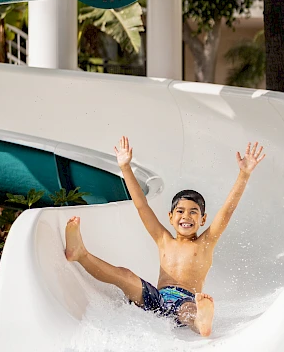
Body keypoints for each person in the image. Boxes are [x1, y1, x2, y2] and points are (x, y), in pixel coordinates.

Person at [64, 136, 266, 337]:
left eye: (193, 212)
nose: (186, 216)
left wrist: (244, 174)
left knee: (188, 309)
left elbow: (227, 211)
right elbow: (141, 205)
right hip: (156, 297)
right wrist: (125, 167)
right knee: (125, 275)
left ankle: (200, 322)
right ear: (170, 217)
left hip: (184, 300)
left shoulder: (205, 242)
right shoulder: (164, 239)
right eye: (180, 211)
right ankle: (80, 254)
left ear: (203, 219)